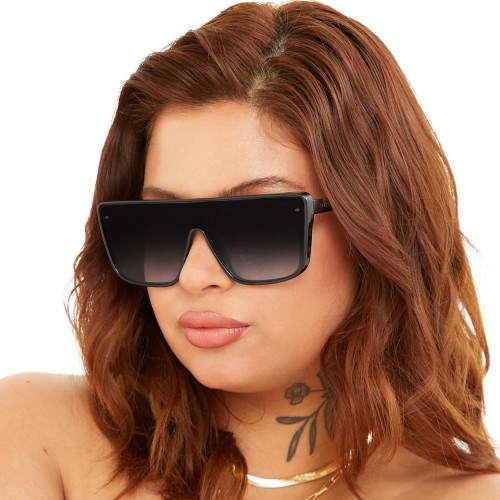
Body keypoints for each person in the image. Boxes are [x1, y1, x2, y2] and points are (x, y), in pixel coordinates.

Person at [0, 1, 498, 498]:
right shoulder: (34, 435)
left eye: (256, 226)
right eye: (161, 225)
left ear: (373, 229)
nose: (195, 276)